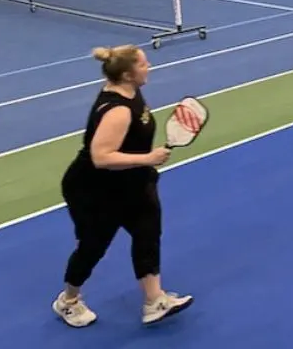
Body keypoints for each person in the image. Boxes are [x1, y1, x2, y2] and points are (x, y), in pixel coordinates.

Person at [53, 46, 192, 328]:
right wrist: (148, 157)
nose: (149, 66)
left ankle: (154, 301)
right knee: (93, 246)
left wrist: (143, 162)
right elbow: (101, 157)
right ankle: (67, 301)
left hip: (132, 181)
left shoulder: (129, 89)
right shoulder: (117, 110)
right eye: (143, 64)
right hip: (94, 189)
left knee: (148, 233)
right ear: (128, 74)